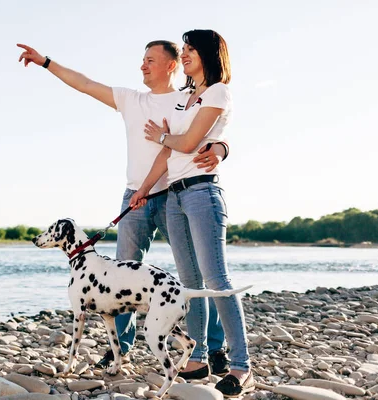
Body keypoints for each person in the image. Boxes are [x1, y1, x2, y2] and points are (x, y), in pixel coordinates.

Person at [16, 41, 231, 376]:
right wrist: (46, 62)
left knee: (196, 274)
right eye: (142, 60)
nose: (142, 66)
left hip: (175, 195)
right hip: (136, 198)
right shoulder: (132, 99)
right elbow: (85, 84)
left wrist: (221, 147)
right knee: (118, 277)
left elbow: (215, 128)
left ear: (171, 65)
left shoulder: (188, 99)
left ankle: (213, 349)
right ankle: (122, 348)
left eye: (150, 60)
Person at [130, 29, 254, 397]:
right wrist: (142, 190)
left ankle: (242, 367)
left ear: (209, 54)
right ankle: (197, 361)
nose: (184, 55)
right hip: (174, 197)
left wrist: (216, 145)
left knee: (216, 280)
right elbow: (170, 154)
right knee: (190, 286)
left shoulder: (218, 91)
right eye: (182, 50)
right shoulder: (184, 97)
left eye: (190, 50)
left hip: (202, 193)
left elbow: (182, 142)